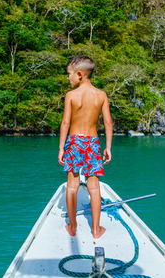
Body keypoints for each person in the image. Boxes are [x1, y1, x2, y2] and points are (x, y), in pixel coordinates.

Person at [58, 55, 113, 239]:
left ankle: (72, 227)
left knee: (72, 186)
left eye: (69, 74)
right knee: (94, 188)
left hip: (74, 141)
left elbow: (65, 123)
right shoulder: (101, 95)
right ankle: (96, 230)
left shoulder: (71, 96)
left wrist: (61, 148)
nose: (68, 78)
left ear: (79, 74)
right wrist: (108, 147)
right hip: (93, 143)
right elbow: (108, 123)